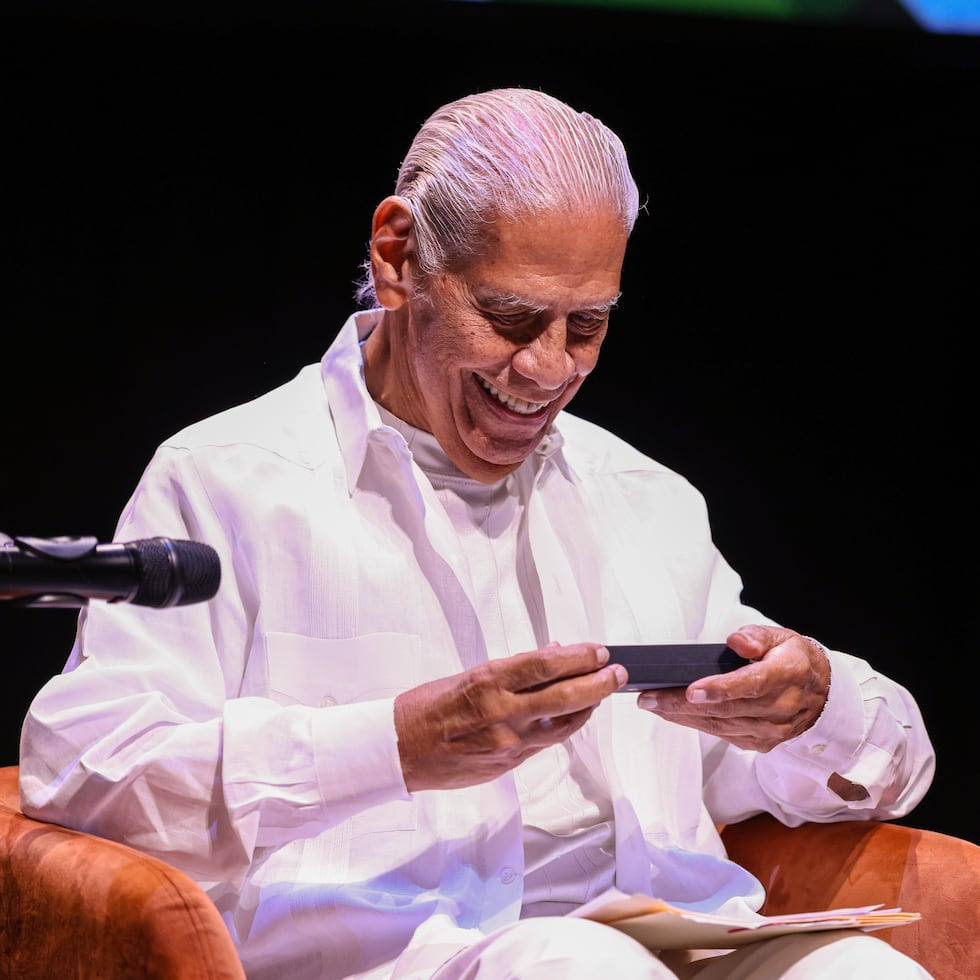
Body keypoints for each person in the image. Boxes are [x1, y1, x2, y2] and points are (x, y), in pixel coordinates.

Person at [19, 88, 935, 979]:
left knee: (865, 969)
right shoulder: (230, 478)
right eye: (509, 316)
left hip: (674, 944)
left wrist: (808, 710)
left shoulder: (644, 498)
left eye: (588, 326)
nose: (546, 369)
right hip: (407, 959)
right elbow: (89, 779)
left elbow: (883, 769)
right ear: (398, 256)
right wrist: (397, 745)